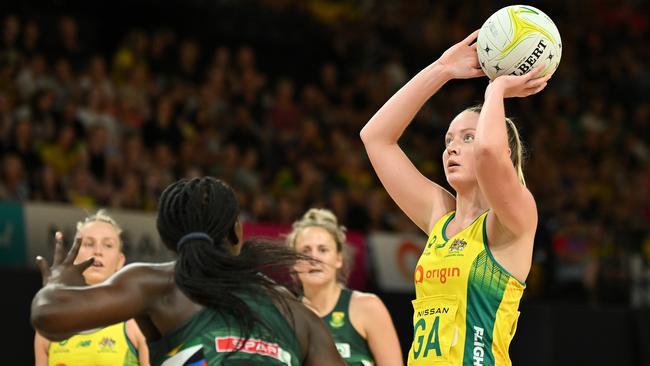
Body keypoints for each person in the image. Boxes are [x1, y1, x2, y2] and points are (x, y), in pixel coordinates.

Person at [360, 30, 552, 365]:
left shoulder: (514, 220)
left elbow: (490, 151)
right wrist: (442, 69)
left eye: (467, 137)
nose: (452, 147)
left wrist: (497, 88)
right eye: (449, 139)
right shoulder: (439, 215)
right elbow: (375, 137)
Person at [31, 177, 345, 366]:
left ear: (169, 242)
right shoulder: (296, 313)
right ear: (237, 233)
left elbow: (48, 315)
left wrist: (59, 282)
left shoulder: (159, 283)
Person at [287, 208, 403, 366]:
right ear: (294, 263)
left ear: (338, 259)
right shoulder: (287, 316)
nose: (313, 258)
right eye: (305, 251)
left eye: (323, 250)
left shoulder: (368, 307)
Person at [33, 210, 149, 366]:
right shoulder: (50, 326)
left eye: (108, 245)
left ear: (120, 261)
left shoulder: (137, 323)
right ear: (73, 256)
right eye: (89, 243)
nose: (98, 251)